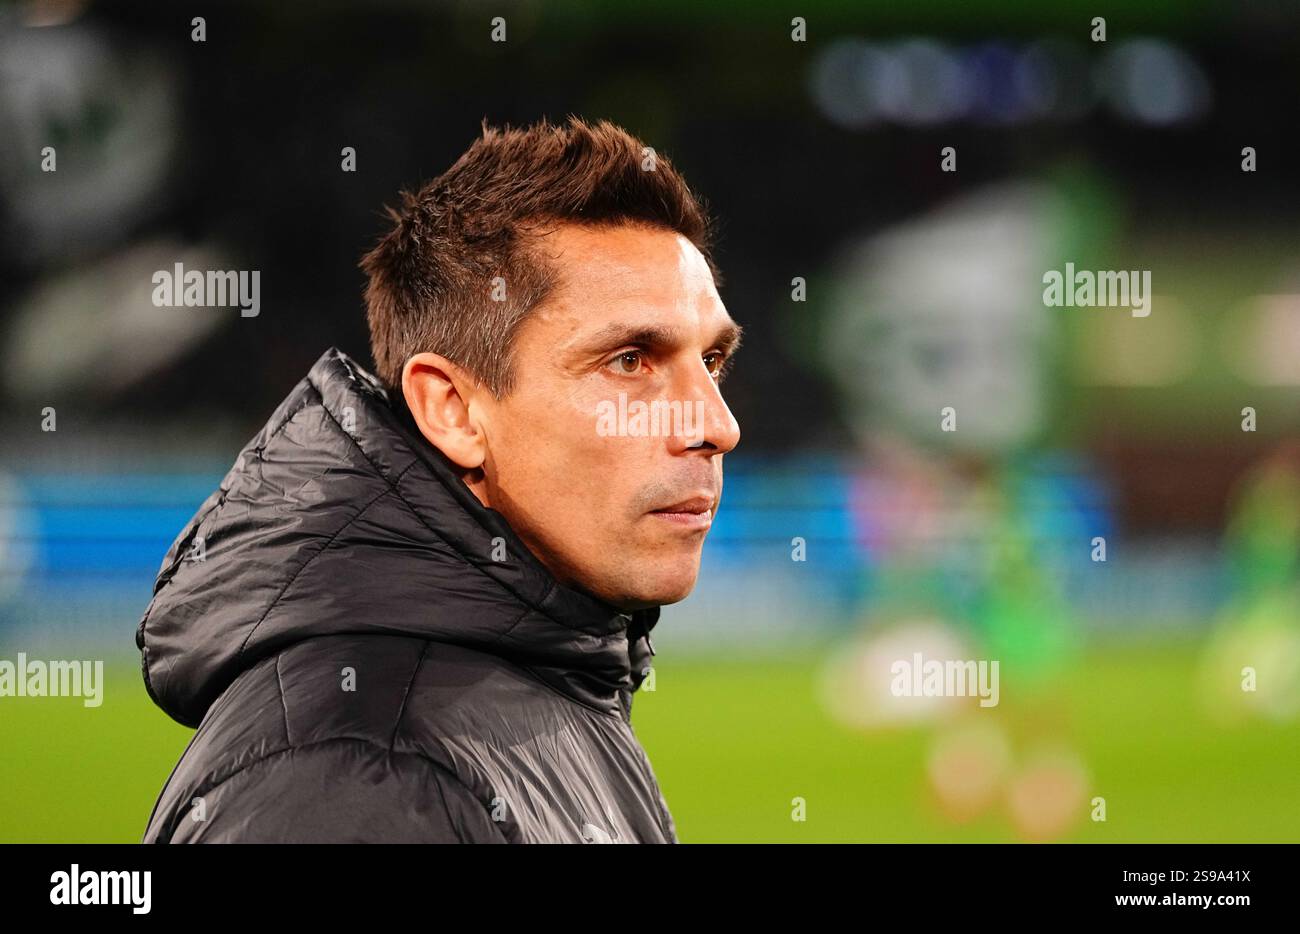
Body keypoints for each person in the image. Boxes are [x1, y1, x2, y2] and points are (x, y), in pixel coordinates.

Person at [137, 117, 742, 843]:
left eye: (710, 362)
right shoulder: (360, 774)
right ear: (452, 410)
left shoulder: (545, 682)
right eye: (630, 361)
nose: (717, 425)